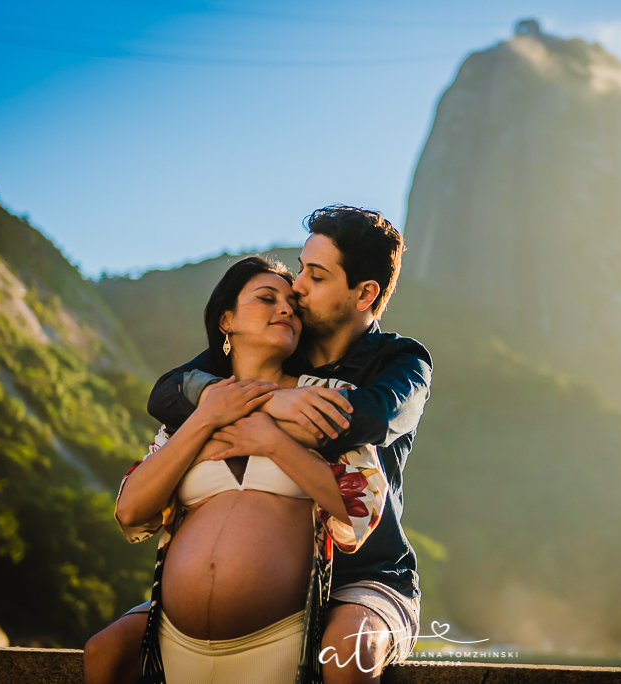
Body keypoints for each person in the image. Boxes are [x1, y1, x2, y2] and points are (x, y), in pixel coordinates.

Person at [84, 205, 433, 684]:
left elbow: (368, 418)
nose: (297, 292)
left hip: (366, 572)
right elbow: (168, 390)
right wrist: (256, 402)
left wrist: (277, 419)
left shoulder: (400, 361)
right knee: (105, 652)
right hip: (215, 613)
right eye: (297, 274)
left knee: (347, 649)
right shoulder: (277, 337)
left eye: (315, 275)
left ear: (364, 293)